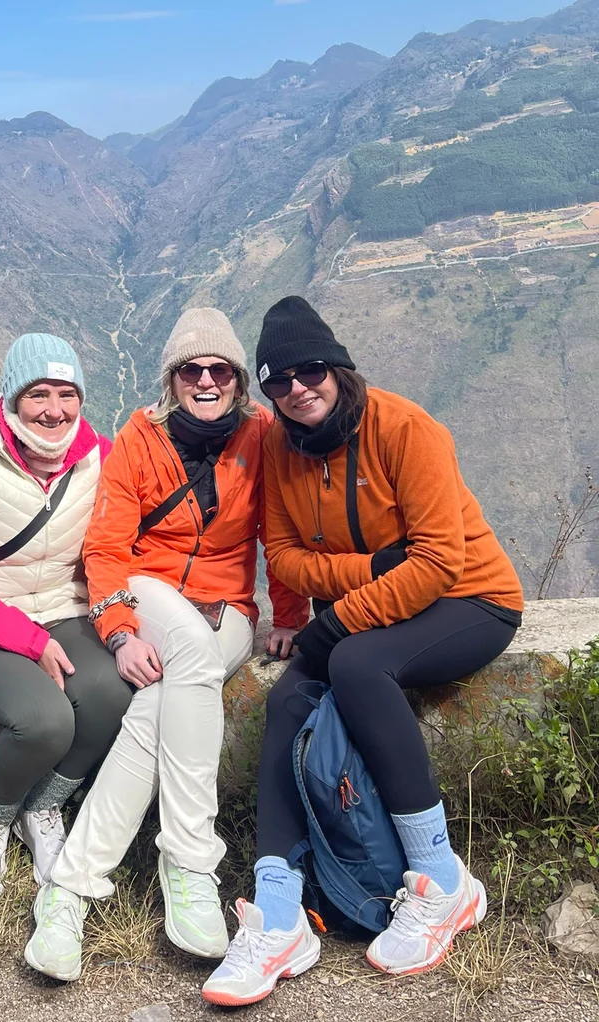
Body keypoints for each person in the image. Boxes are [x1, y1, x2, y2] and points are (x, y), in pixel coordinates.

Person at [201, 296, 524, 1006]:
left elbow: (439, 562)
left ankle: (443, 882)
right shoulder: (284, 450)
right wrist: (372, 572)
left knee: (352, 663)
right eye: (277, 381)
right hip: (372, 608)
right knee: (288, 696)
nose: (296, 389)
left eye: (309, 371)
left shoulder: (409, 430)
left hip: (471, 601)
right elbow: (284, 558)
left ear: (339, 368)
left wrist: (337, 620)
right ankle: (279, 911)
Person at [22, 308, 309, 981]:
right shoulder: (139, 438)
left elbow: (280, 530)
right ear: (173, 378)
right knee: (189, 655)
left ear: (239, 381)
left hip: (229, 608)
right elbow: (108, 546)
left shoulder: (261, 437)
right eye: (191, 370)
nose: (205, 380)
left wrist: (289, 614)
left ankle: (67, 893)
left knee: (163, 703)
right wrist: (120, 633)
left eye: (219, 370)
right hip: (150, 595)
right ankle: (189, 863)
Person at [0, 332, 132, 899]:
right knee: (45, 722)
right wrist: (29, 641)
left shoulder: (98, 456)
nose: (55, 410)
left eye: (68, 394)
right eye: (39, 394)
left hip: (62, 609)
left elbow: (114, 543)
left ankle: (42, 809)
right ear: (14, 399)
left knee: (114, 692)